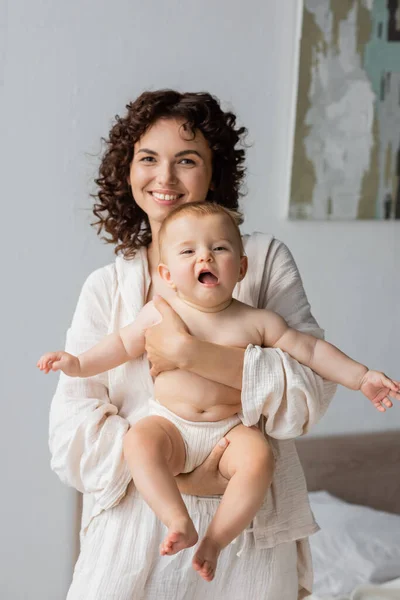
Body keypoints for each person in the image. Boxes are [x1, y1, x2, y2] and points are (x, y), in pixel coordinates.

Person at [49, 89, 342, 599]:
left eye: (186, 160)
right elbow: (71, 438)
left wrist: (190, 355)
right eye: (148, 159)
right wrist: (178, 470)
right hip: (132, 533)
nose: (164, 178)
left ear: (214, 171)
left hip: (246, 535)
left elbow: (308, 394)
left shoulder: (262, 262)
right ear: (128, 171)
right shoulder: (107, 288)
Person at [40, 202, 399, 583]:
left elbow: (311, 352)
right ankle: (177, 518)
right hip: (171, 426)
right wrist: (78, 364)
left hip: (230, 432)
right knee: (139, 441)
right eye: (188, 251)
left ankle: (214, 539)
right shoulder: (160, 311)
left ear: (241, 268)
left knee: (259, 458)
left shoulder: (258, 321)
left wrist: (360, 377)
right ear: (168, 273)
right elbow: (120, 345)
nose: (205, 256)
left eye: (220, 248)